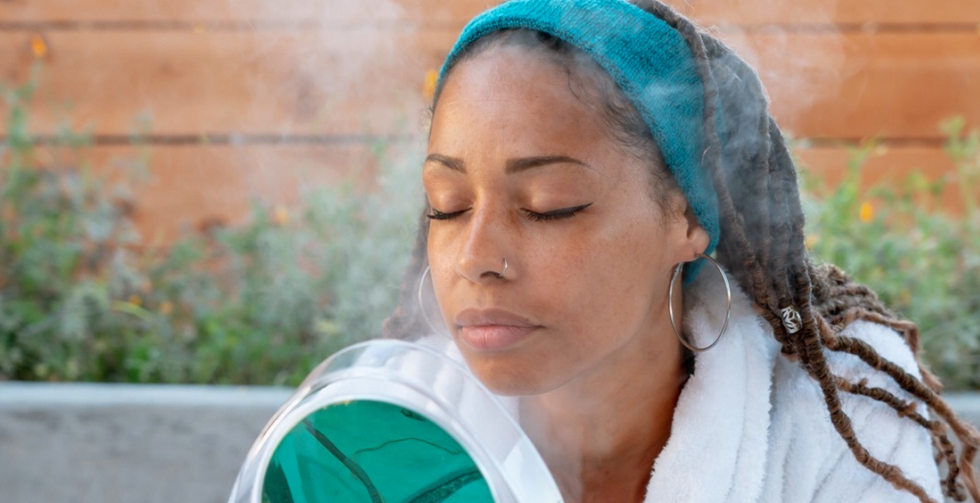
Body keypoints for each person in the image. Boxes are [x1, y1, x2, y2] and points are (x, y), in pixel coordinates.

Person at [382, 0, 980, 501]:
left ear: (689, 214)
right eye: (448, 205)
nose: (474, 256)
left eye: (548, 204)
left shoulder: (835, 418)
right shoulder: (389, 431)